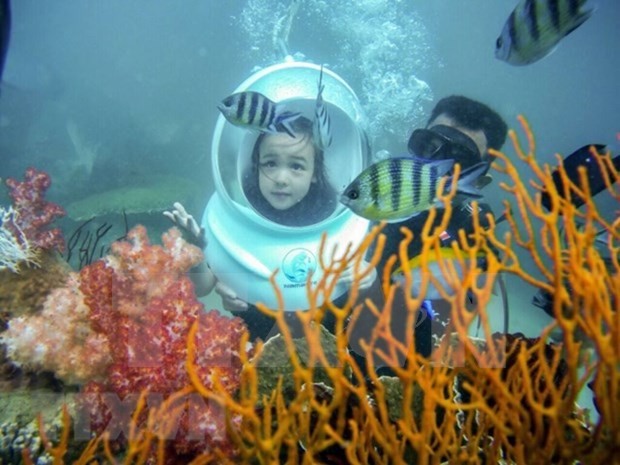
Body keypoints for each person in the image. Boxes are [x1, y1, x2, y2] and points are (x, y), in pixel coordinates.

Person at [166, 116, 376, 340]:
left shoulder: (343, 218)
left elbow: (372, 298)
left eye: (296, 166)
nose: (281, 178)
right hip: (259, 343)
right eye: (270, 163)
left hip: (329, 344)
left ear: (315, 173)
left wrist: (369, 275)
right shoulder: (235, 214)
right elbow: (202, 288)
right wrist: (195, 253)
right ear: (256, 166)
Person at [348, 95, 508, 368]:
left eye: (458, 162)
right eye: (429, 146)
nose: (436, 167)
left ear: (479, 182)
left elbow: (464, 315)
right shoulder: (371, 197)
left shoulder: (476, 229)